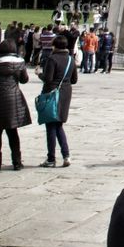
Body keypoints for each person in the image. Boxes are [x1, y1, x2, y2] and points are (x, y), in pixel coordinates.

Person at [0, 39, 32, 171]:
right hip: (14, 100)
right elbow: (24, 80)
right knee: (13, 132)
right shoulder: (19, 62)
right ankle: (17, 162)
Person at [37, 34, 78, 168]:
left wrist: (39, 74)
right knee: (58, 125)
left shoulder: (52, 59)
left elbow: (48, 79)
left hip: (52, 94)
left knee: (51, 126)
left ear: (55, 45)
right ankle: (66, 156)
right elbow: (74, 80)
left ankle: (51, 158)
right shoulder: (71, 59)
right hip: (65, 94)